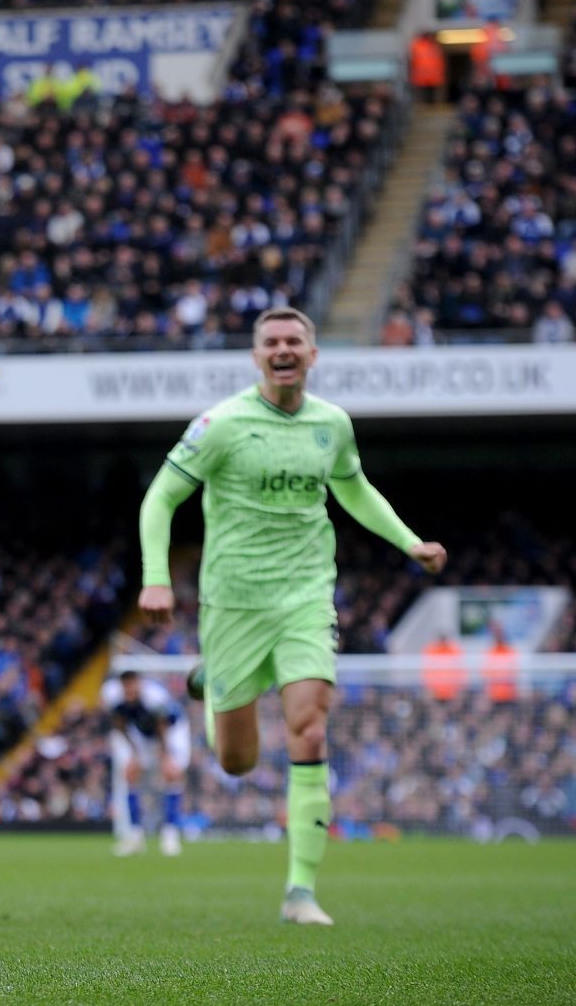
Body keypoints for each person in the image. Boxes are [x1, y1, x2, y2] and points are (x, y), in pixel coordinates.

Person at [137, 307, 448, 926]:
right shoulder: (221, 424)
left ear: (312, 354)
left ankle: (301, 891)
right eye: (271, 342)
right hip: (233, 605)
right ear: (256, 357)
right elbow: (162, 496)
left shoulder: (332, 424)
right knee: (237, 761)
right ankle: (210, 689)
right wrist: (154, 577)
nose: (283, 350)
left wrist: (408, 541)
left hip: (306, 597)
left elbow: (354, 489)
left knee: (309, 726)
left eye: (294, 341)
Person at [103, 670, 189, 857]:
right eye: (126, 685)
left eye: (132, 684)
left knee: (171, 774)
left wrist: (165, 756)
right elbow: (120, 725)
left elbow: (162, 726)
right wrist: (134, 753)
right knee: (130, 773)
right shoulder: (113, 697)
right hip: (142, 733)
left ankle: (170, 834)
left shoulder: (154, 698)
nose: (129, 689)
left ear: (139, 683)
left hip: (173, 731)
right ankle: (135, 836)